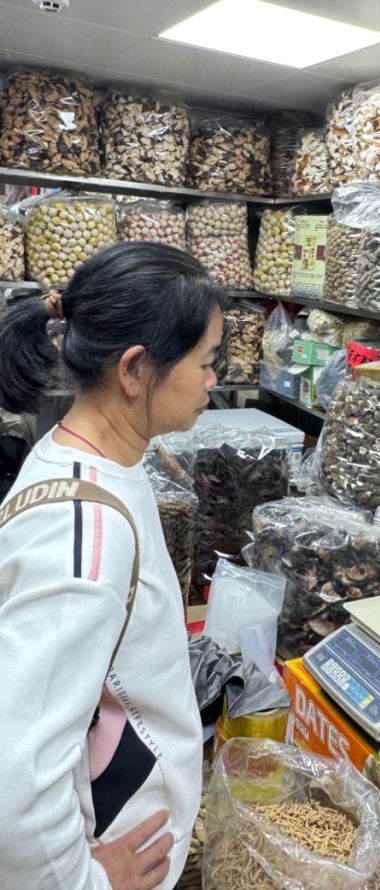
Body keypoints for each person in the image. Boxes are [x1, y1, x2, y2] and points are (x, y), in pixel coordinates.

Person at [0, 241, 225, 890]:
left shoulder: (82, 454)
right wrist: (83, 882)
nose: (213, 380)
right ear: (134, 370)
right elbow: (17, 775)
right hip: (105, 843)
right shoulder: (84, 537)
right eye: (206, 361)